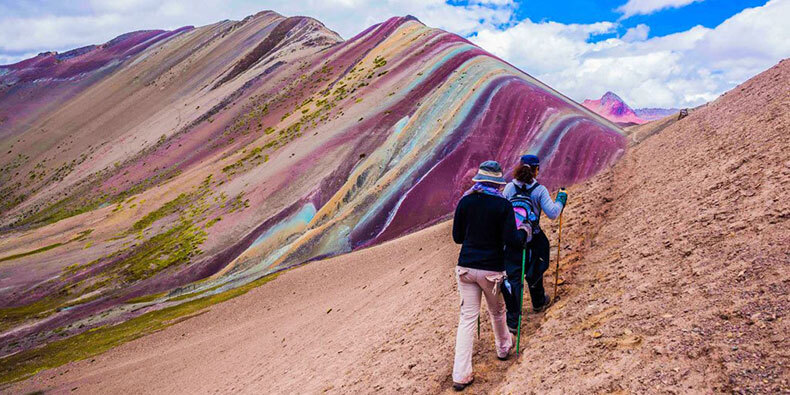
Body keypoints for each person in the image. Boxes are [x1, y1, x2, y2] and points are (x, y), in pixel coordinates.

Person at [451, 160, 529, 391]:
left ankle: (460, 374)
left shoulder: (465, 201)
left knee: (467, 318)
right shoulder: (502, 205)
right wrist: (524, 231)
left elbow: (457, 237)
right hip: (492, 271)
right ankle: (503, 348)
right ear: (497, 182)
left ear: (479, 180)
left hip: (465, 268)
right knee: (497, 311)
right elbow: (512, 241)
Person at [502, 154, 568, 333]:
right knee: (536, 267)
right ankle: (538, 301)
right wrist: (561, 199)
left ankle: (513, 321)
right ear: (536, 169)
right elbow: (553, 213)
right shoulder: (540, 190)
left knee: (514, 277)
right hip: (533, 237)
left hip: (512, 239)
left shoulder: (509, 188)